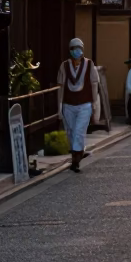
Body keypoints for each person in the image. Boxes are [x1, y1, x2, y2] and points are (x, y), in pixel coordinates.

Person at [57, 38, 100, 172]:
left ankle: (76, 159)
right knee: (70, 131)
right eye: (74, 48)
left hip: (84, 104)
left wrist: (94, 102)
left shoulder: (89, 64)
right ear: (70, 50)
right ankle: (77, 152)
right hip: (68, 104)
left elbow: (94, 84)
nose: (77, 51)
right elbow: (61, 86)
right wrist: (59, 106)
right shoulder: (64, 66)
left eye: (79, 48)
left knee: (79, 131)